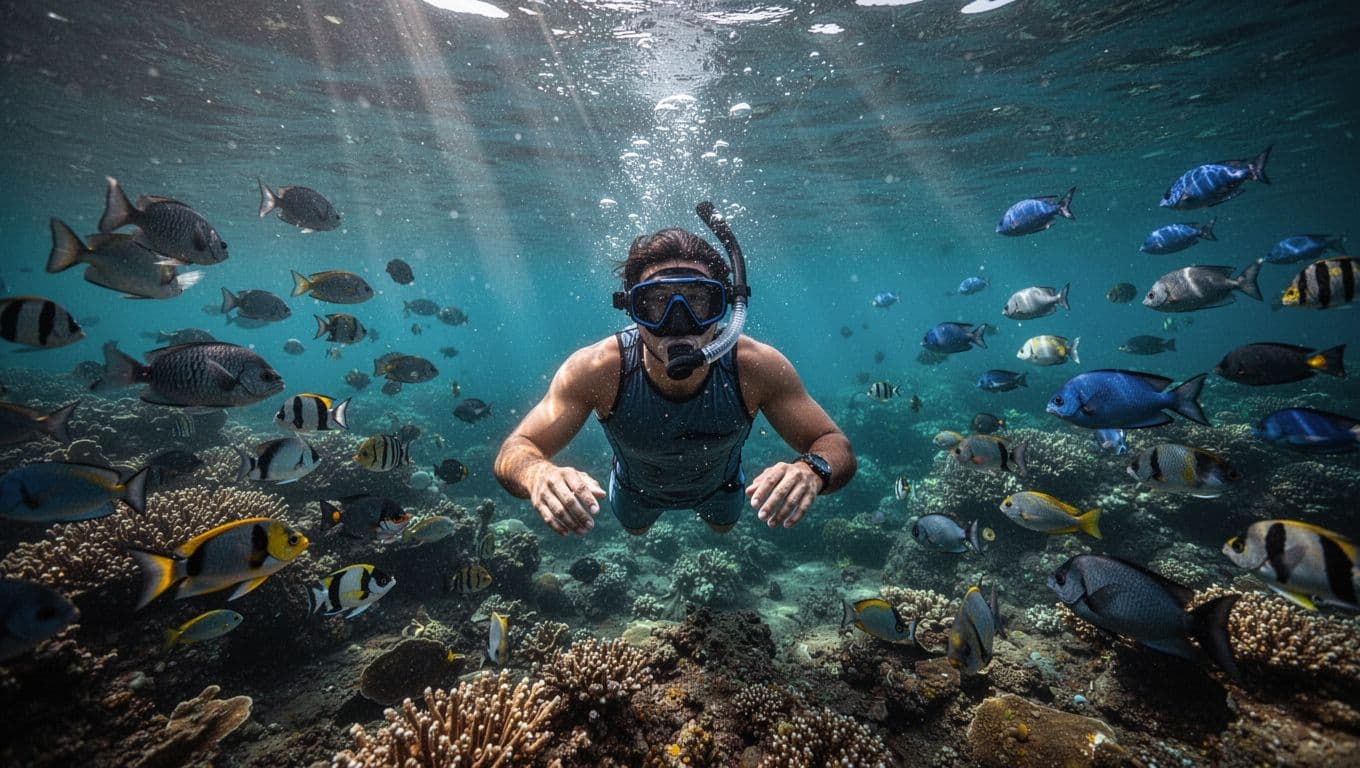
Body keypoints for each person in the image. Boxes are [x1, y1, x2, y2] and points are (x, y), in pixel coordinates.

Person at [495, 204, 854, 536]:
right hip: (635, 495)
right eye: (657, 303)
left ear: (725, 305)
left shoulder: (756, 367)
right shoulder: (597, 369)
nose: (679, 322)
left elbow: (835, 445)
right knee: (635, 530)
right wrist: (537, 473)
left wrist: (812, 471)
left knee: (722, 529)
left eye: (698, 300)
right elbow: (517, 448)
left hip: (722, 489)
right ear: (632, 309)